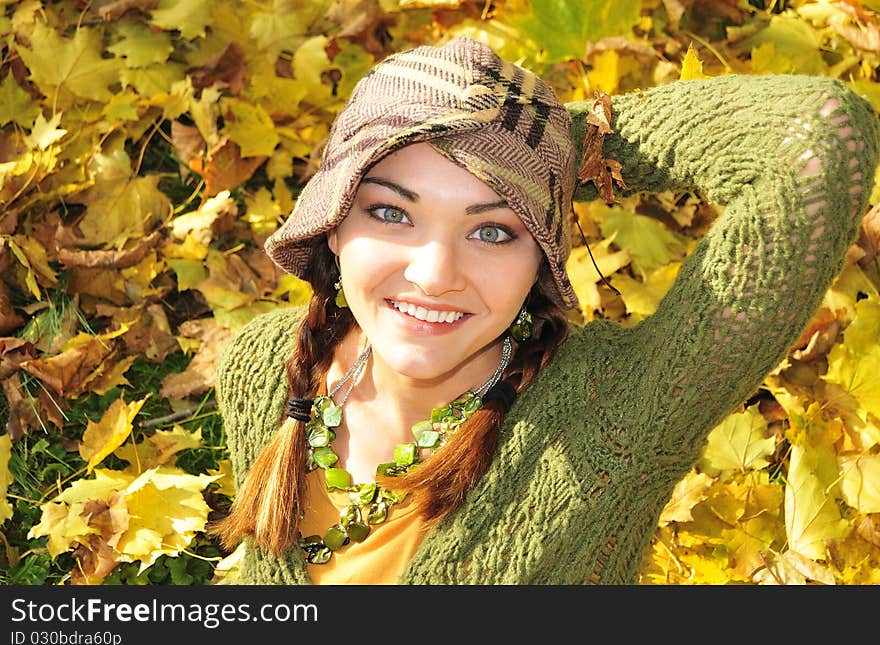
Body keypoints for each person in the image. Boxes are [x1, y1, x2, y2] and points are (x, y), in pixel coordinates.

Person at [209, 37, 879, 584]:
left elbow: (820, 137)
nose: (435, 275)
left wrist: (550, 142)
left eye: (494, 229)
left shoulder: (618, 411)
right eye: (391, 212)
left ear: (542, 258)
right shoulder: (263, 366)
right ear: (331, 221)